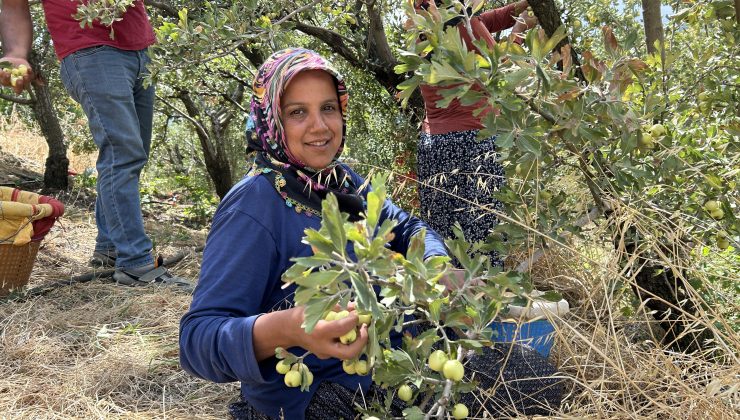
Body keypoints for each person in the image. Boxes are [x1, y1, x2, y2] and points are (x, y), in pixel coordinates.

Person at [179, 48, 561, 420]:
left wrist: (434, 262)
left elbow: (409, 226)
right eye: (298, 112)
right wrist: (290, 329)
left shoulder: (343, 183)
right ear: (271, 120)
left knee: (542, 381)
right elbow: (198, 340)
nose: (320, 126)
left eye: (328, 108)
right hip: (316, 396)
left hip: (394, 364)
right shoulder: (254, 204)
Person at [0, 0, 189, 287]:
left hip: (141, 51)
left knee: (132, 154)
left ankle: (111, 248)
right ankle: (136, 264)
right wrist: (16, 54)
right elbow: (13, 5)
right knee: (123, 153)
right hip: (91, 52)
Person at [411, 0, 537, 267]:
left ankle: (450, 301)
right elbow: (498, 74)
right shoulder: (458, 27)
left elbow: (492, 18)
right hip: (470, 143)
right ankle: (485, 299)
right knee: (482, 233)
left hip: (434, 145)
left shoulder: (432, 30)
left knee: (444, 235)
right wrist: (521, 29)